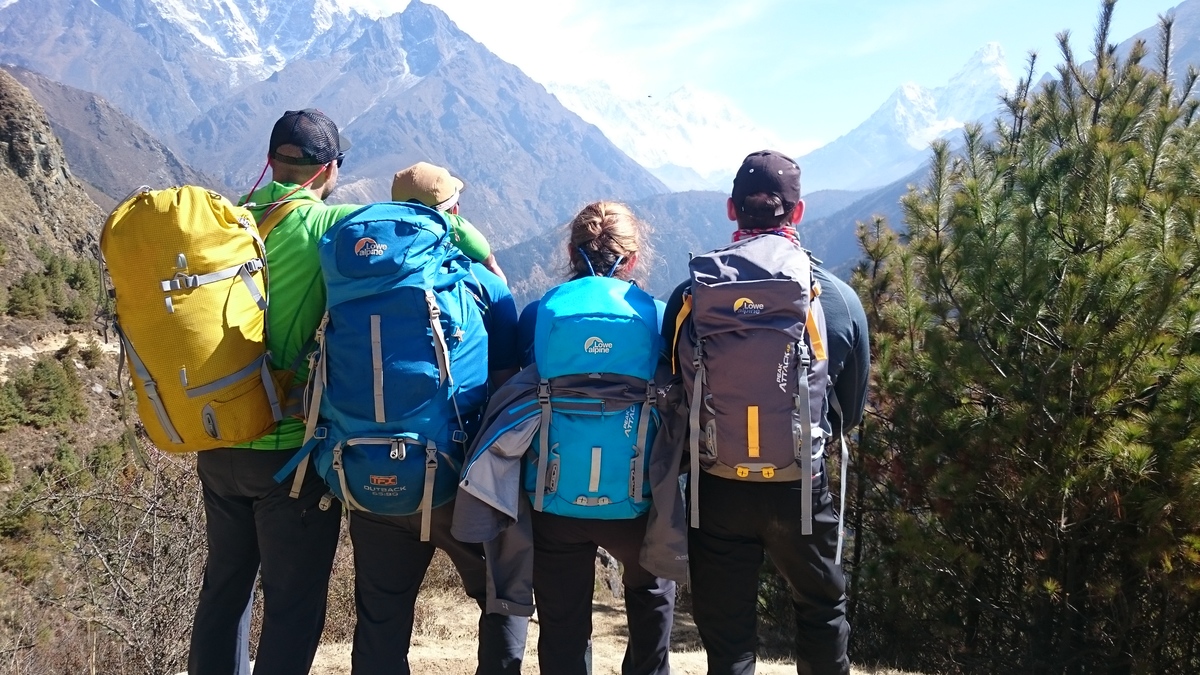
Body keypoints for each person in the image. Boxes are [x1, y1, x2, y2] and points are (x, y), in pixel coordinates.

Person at [661, 150, 870, 675]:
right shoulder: (838, 299)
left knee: (729, 637)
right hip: (800, 485)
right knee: (821, 610)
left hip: (717, 483)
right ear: (796, 214)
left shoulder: (690, 295)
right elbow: (852, 408)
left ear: (733, 210)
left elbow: (673, 387)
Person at [187, 108, 355, 675]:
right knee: (292, 604)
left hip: (216, 440)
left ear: (271, 161)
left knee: (224, 591)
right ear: (327, 170)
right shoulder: (326, 226)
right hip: (288, 451)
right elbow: (410, 228)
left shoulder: (228, 223)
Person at [345, 239, 529, 674]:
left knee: (380, 618)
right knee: (499, 596)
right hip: (460, 481)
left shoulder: (352, 282)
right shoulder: (483, 285)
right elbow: (506, 391)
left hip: (372, 475)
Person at [513, 202, 678, 675]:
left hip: (554, 499)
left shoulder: (539, 314)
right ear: (633, 259)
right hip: (638, 499)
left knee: (563, 628)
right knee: (651, 602)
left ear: (570, 252)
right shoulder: (660, 317)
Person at [392, 161, 508, 283]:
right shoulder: (448, 225)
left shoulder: (378, 220)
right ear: (453, 210)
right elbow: (489, 262)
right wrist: (493, 267)